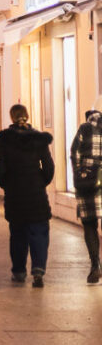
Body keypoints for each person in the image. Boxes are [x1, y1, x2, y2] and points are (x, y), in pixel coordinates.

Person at [0, 104, 53, 287]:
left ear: (11, 117)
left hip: (15, 192)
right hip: (36, 192)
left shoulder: (4, 139)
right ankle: (38, 269)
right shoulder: (39, 139)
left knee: (18, 232)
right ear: (27, 116)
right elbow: (49, 166)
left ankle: (19, 271)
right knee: (39, 231)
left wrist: (6, 183)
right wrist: (41, 181)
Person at [70, 107, 102, 284]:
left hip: (88, 182)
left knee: (89, 224)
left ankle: (95, 265)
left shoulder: (84, 128)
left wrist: (79, 172)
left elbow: (74, 153)